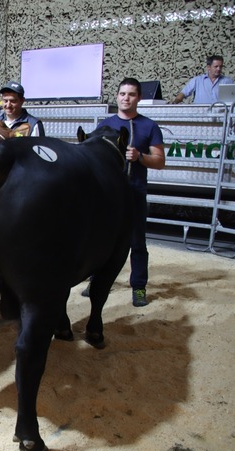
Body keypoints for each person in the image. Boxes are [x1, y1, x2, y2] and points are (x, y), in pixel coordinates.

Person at [96, 78, 165, 307]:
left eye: (131, 94)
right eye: (122, 94)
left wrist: (140, 157)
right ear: (117, 96)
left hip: (134, 192)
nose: (126, 98)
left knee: (137, 242)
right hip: (107, 195)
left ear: (139, 98)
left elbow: (160, 161)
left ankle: (138, 287)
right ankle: (96, 281)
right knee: (102, 240)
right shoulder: (105, 124)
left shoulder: (149, 126)